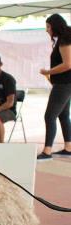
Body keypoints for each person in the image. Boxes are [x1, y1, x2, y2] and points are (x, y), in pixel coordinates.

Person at [37, 14, 71, 161]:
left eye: (48, 26)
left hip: (64, 85)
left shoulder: (65, 40)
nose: (47, 30)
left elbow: (68, 64)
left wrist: (48, 72)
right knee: (63, 115)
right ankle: (68, 148)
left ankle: (47, 151)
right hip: (65, 83)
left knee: (49, 116)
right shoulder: (65, 38)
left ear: (55, 26)